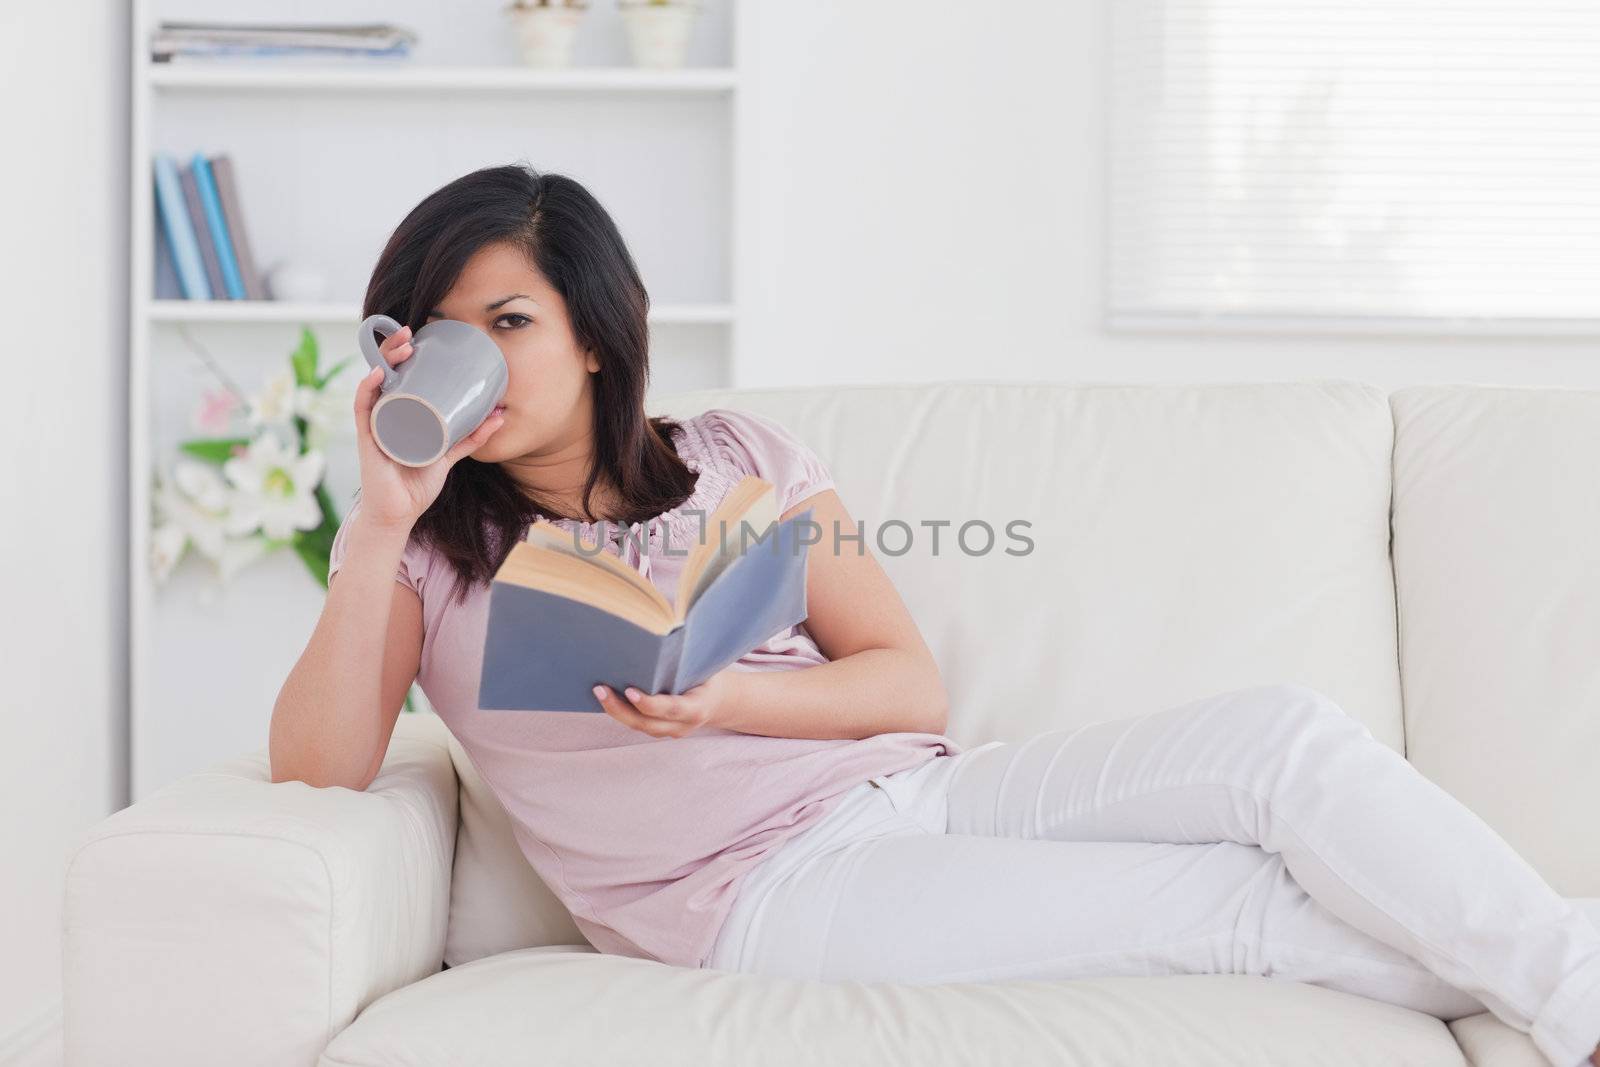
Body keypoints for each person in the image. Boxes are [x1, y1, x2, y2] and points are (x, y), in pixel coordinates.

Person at [269, 162, 1600, 1067]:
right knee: (1232, 909)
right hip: (765, 898)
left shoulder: (734, 458)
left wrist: (731, 699)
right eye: (440, 332)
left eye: (510, 320)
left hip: (918, 793)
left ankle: (1569, 976)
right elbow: (317, 769)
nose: (477, 362)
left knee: (1286, 742)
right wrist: (378, 519)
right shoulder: (427, 551)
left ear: (596, 335)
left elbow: (906, 686)